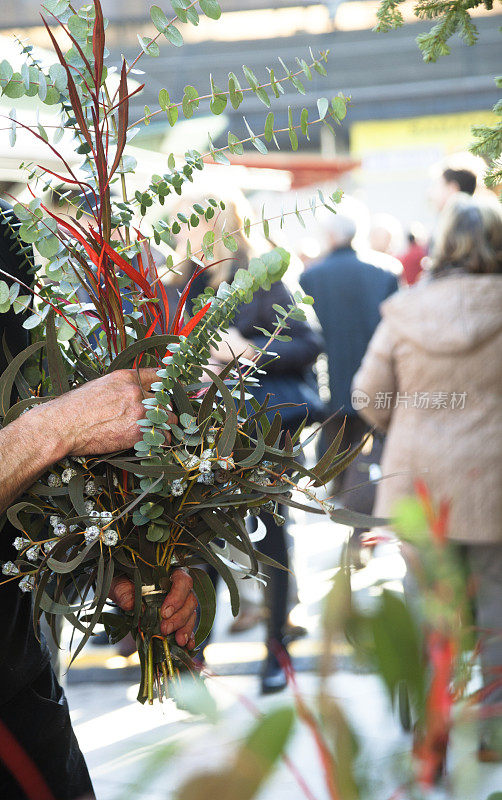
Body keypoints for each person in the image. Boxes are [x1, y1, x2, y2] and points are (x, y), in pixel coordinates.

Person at [0, 200, 198, 800]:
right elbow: (40, 430)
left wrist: (125, 556)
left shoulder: (9, 236)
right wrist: (51, 429)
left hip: (21, 688)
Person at [352, 192, 502, 761]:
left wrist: (409, 420)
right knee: (496, 604)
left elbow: (367, 393)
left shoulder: (406, 310)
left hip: (419, 483)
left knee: (425, 603)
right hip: (493, 480)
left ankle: (428, 730)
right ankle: (494, 733)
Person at [170, 193, 323, 693]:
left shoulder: (262, 272)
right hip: (201, 436)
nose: (182, 229)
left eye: (190, 220)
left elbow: (307, 342)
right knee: (202, 544)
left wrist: (248, 348)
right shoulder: (180, 285)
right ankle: (194, 660)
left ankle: (277, 653)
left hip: (264, 435)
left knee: (273, 542)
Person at [299, 198, 398, 550]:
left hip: (333, 383)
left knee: (336, 455)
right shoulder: (385, 272)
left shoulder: (310, 276)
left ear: (329, 235)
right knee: (369, 456)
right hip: (378, 383)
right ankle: (360, 533)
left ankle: (347, 518)